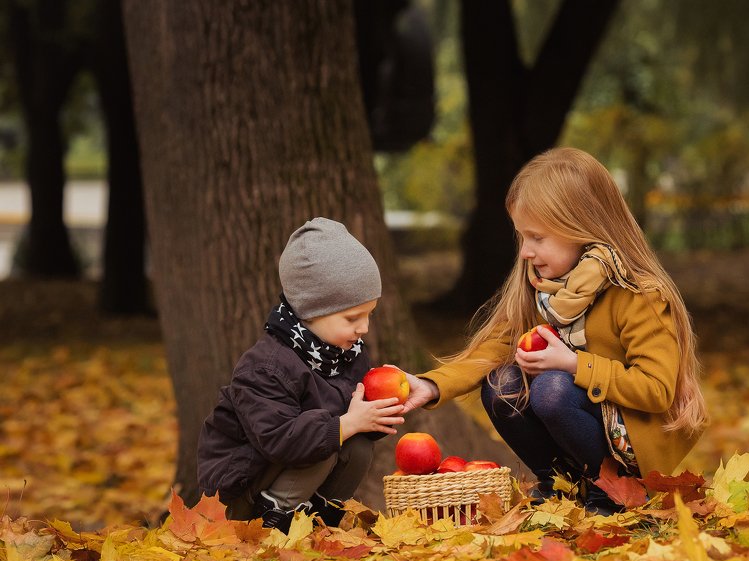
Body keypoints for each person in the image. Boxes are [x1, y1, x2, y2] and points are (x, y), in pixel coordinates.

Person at [400, 147, 708, 514]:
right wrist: (433, 385)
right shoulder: (542, 289)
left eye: (537, 238)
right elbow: (495, 347)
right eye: (522, 237)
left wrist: (575, 365)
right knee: (501, 384)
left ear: (582, 229)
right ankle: (562, 484)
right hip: (578, 423)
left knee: (552, 388)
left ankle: (612, 494)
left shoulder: (638, 295)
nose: (525, 252)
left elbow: (656, 390)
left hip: (632, 439)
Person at [198, 218, 405, 532]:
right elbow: (280, 440)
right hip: (242, 489)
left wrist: (375, 414)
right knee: (324, 437)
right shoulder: (266, 367)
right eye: (352, 318)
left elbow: (353, 423)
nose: (363, 328)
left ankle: (319, 520)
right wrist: (346, 424)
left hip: (295, 469)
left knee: (357, 445)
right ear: (311, 311)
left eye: (369, 315)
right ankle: (272, 523)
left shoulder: (345, 353)